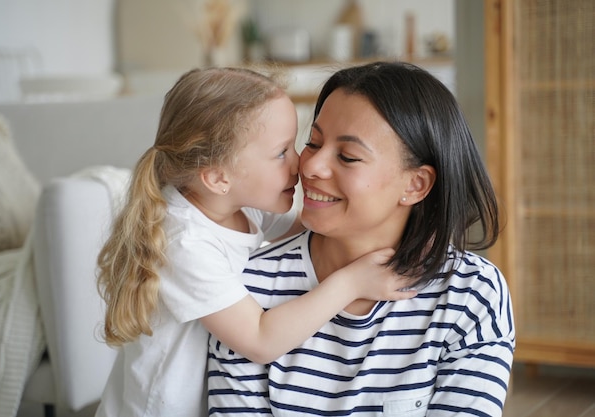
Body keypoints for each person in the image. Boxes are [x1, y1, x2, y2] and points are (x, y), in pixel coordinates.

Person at [94, 67, 416, 417]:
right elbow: (261, 341)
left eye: (298, 144)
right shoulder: (185, 243)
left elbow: (312, 227)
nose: (302, 164)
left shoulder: (231, 204)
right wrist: (352, 282)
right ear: (218, 177)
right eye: (281, 153)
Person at [207, 61, 516, 416]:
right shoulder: (246, 290)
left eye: (348, 156)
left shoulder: (471, 294)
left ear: (415, 184)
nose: (309, 167)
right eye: (313, 142)